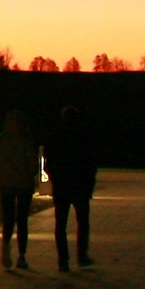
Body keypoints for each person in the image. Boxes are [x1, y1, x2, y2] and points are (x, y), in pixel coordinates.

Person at [0, 109, 42, 270]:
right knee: (22, 219)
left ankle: (6, 245)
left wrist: (2, 170)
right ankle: (21, 255)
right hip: (24, 183)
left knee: (8, 217)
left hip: (6, 182)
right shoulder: (26, 141)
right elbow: (32, 165)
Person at [44, 105, 98, 271]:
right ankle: (81, 256)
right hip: (80, 185)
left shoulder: (54, 137)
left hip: (62, 186)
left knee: (60, 224)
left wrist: (55, 179)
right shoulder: (83, 137)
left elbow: (48, 164)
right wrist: (89, 182)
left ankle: (63, 260)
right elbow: (91, 163)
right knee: (83, 222)